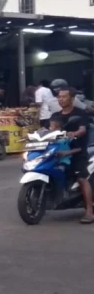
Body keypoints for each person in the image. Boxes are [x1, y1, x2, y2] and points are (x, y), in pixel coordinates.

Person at [49, 87, 94, 224]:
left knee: (81, 178)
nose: (61, 99)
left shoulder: (80, 114)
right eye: (59, 97)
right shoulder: (55, 115)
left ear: (72, 98)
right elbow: (48, 129)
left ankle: (89, 212)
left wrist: (75, 133)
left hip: (77, 152)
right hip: (58, 151)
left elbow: (82, 129)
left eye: (64, 97)